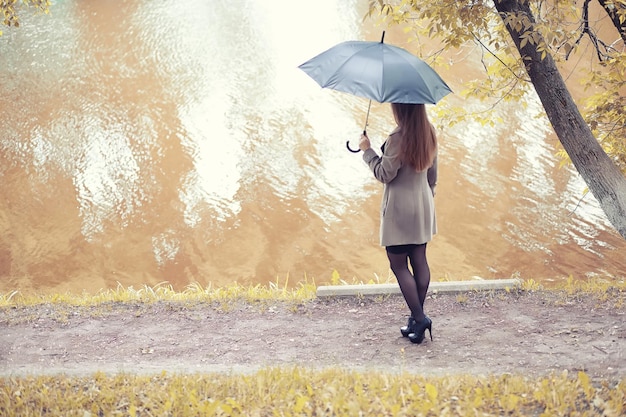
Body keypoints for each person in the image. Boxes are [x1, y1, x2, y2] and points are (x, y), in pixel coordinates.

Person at [359, 102, 437, 344]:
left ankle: (420, 318)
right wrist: (427, 197)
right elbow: (433, 175)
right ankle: (417, 320)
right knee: (419, 261)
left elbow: (384, 174)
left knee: (399, 265)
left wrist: (367, 151)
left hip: (400, 209)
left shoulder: (397, 138)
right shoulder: (429, 130)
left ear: (400, 108)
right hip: (423, 205)